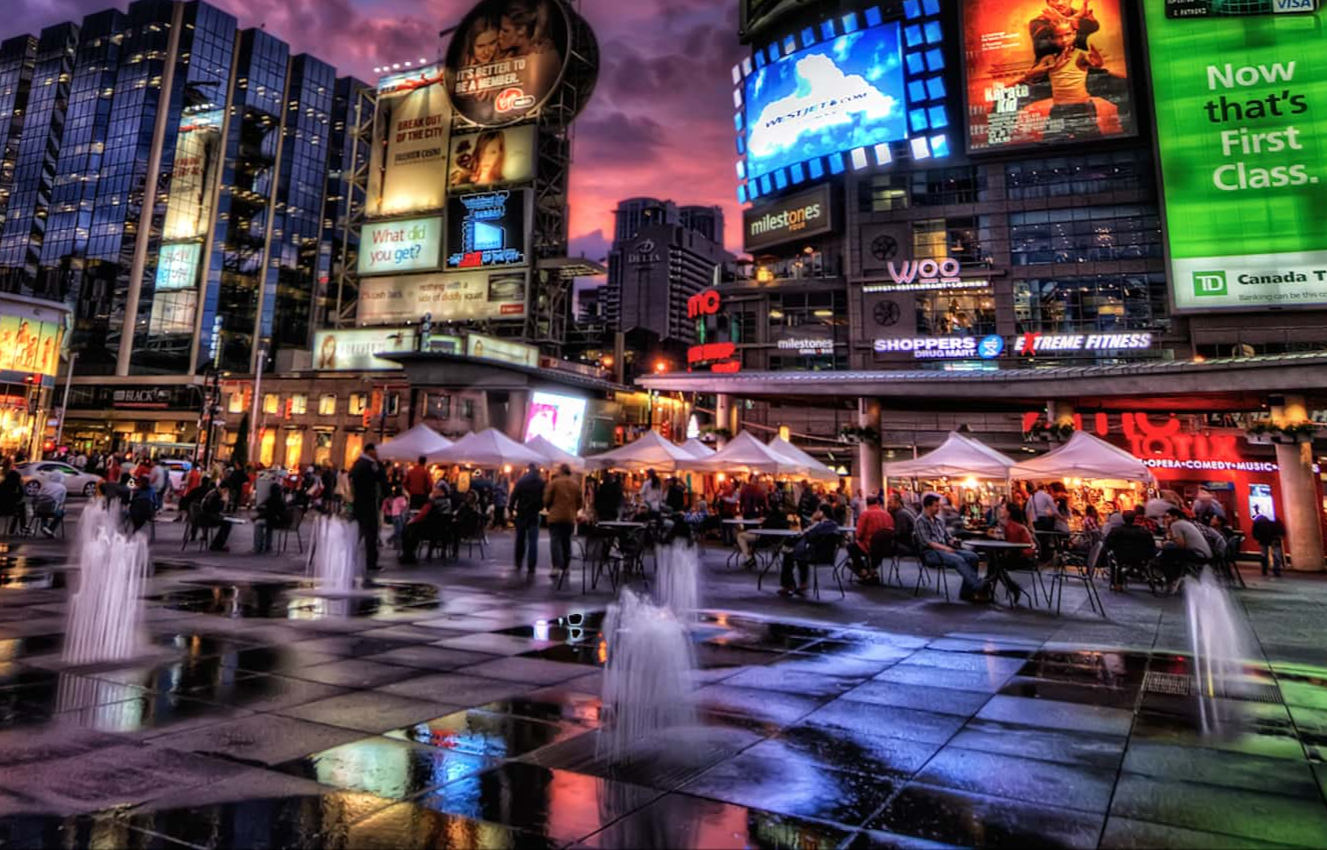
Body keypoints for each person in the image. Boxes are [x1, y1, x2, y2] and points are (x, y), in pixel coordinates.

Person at [916, 493, 988, 603]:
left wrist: (955, 542)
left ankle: (966, 592)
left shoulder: (938, 521)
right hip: (930, 553)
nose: (939, 508)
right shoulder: (920, 521)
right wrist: (946, 548)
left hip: (944, 549)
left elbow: (947, 537)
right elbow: (928, 542)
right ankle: (977, 585)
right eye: (936, 506)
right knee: (957, 559)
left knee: (973, 556)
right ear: (927, 506)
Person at [779, 504, 839, 597]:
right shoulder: (834, 525)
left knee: (789, 555)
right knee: (800, 555)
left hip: (814, 554)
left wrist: (811, 523)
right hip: (828, 556)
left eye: (817, 511)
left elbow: (808, 536)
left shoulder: (819, 525)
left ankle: (787, 585)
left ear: (821, 513)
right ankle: (803, 583)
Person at [350, 444, 389, 572]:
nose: (377, 453)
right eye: (375, 451)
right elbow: (382, 479)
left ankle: (348, 558)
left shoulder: (357, 463)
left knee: (357, 532)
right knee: (371, 533)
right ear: (369, 451)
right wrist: (388, 494)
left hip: (358, 502)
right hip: (369, 502)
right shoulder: (371, 465)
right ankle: (371, 563)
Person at [399, 481, 454, 565]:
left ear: (441, 491)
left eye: (436, 489)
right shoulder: (448, 501)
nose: (434, 490)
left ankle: (408, 555)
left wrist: (412, 520)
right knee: (412, 529)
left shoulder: (434, 501)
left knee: (409, 529)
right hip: (441, 530)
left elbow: (423, 514)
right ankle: (409, 555)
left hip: (429, 530)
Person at [544, 463, 582, 579]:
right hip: (569, 518)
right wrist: (573, 510)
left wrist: (550, 508)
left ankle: (556, 567)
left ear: (560, 471)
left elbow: (546, 500)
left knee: (555, 541)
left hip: (555, 517)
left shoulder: (554, 483)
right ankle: (566, 567)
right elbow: (580, 502)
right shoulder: (575, 485)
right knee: (566, 542)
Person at [1104, 510, 1157, 591]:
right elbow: (1151, 545)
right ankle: (1149, 579)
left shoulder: (1116, 531)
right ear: (1134, 519)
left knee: (1112, 559)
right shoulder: (1144, 532)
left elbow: (1107, 544)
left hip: (1120, 558)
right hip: (1141, 558)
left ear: (1123, 519)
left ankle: (1117, 583)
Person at [1159, 507, 1212, 588]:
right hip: (1204, 553)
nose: (1166, 519)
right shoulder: (1184, 523)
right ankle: (1177, 576)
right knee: (1170, 551)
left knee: (1166, 553)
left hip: (1196, 554)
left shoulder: (1176, 525)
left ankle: (1171, 579)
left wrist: (1168, 542)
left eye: (1168, 517)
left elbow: (1181, 545)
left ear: (1175, 517)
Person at [848, 496, 894, 583]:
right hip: (885, 548)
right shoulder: (887, 514)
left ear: (866, 503)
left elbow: (859, 534)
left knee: (851, 547)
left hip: (869, 547)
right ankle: (873, 570)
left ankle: (864, 572)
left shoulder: (865, 514)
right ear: (877, 502)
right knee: (876, 549)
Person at [510, 463, 545, 574]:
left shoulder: (521, 481)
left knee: (520, 539)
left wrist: (511, 510)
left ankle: (519, 561)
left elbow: (514, 496)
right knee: (533, 541)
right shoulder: (541, 482)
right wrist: (540, 507)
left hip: (522, 513)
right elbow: (544, 499)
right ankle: (531, 565)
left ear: (528, 469)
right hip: (534, 513)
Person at [737, 501, 789, 569]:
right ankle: (750, 555)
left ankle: (748, 558)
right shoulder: (784, 519)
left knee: (740, 535)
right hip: (777, 541)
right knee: (747, 535)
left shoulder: (770, 519)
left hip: (764, 539)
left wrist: (764, 522)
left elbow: (764, 529)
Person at [252, 485, 290, 554]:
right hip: (282, 521)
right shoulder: (281, 499)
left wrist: (256, 517)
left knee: (258, 523)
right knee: (268, 525)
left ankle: (258, 547)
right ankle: (268, 546)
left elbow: (268, 513)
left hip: (277, 522)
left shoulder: (273, 499)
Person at [1251, 512, 1286, 578]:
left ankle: (1264, 570)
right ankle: (1276, 570)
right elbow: (1281, 529)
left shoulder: (1259, 520)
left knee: (1264, 555)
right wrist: (1279, 536)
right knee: (1276, 555)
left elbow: (1255, 531)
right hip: (1274, 539)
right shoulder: (1275, 519)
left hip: (1263, 539)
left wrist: (1257, 538)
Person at [200, 484, 232, 552]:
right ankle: (217, 545)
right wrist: (224, 501)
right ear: (221, 488)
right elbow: (215, 509)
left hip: (204, 516)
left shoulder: (213, 492)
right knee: (227, 523)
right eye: (225, 491)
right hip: (207, 518)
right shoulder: (215, 495)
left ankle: (217, 545)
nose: (225, 493)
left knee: (228, 519)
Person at [34, 472, 67, 537]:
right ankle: (50, 529)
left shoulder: (45, 485)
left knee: (44, 508)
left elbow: (38, 495)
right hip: (52, 510)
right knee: (62, 512)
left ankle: (44, 526)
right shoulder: (63, 488)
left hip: (39, 510)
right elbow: (62, 501)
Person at [0, 461, 24, 533]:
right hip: (10, 508)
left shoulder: (2, 480)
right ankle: (18, 528)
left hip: (2, 506)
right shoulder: (14, 490)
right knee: (21, 507)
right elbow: (21, 494)